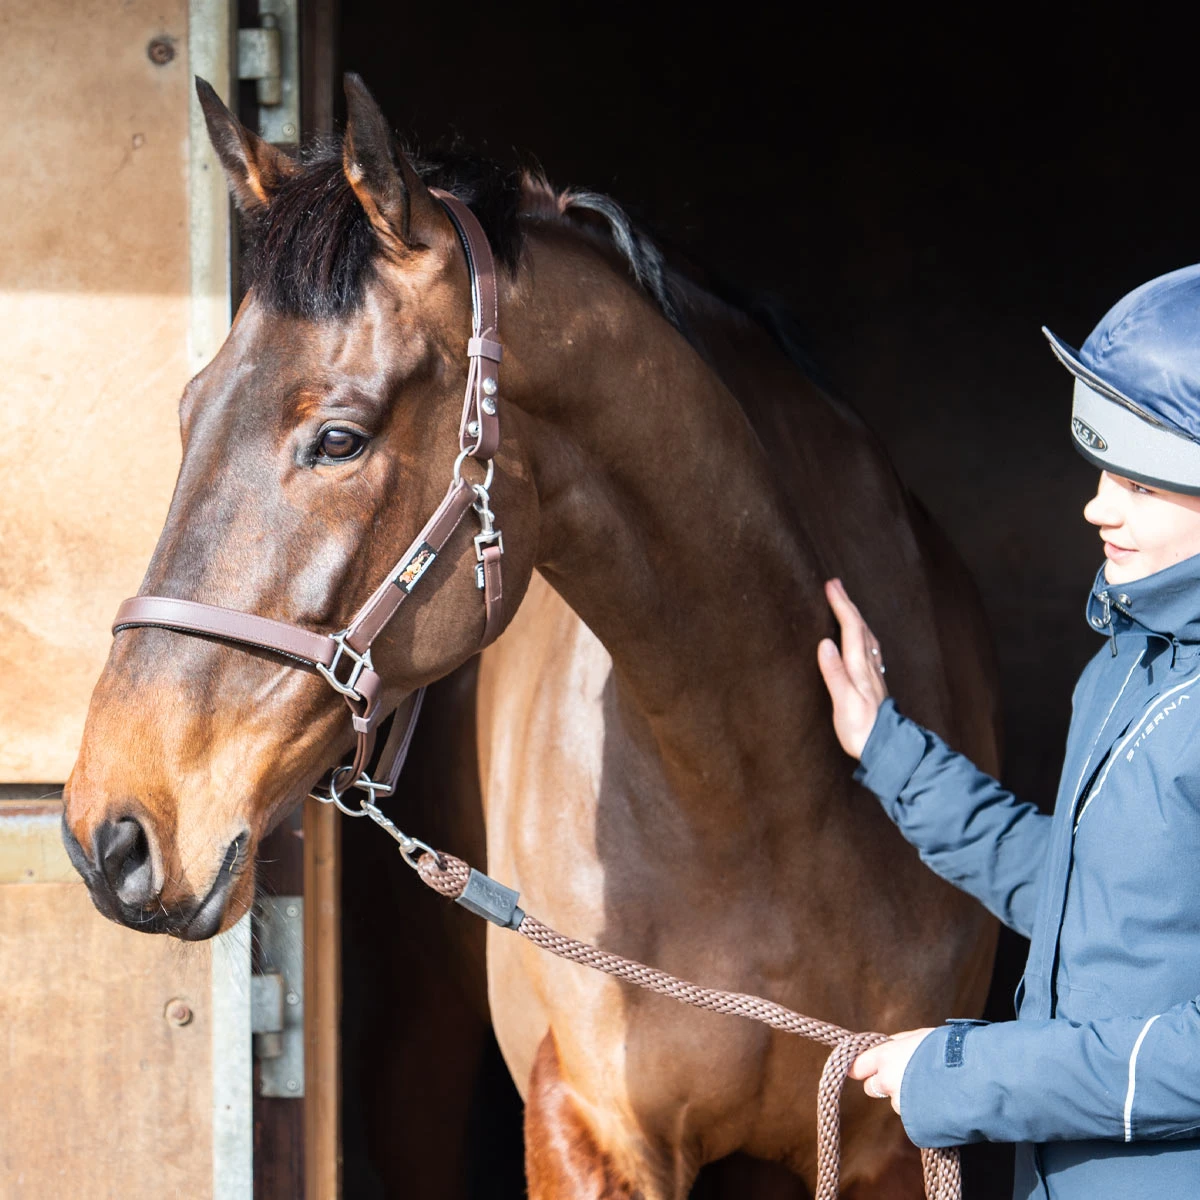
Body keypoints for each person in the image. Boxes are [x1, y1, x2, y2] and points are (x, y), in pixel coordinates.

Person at [818, 263, 1200, 1198]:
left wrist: (959, 1075)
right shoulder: (1131, 661)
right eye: (1107, 470)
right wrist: (888, 748)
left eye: (1145, 487)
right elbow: (1078, 902)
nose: (1098, 504)